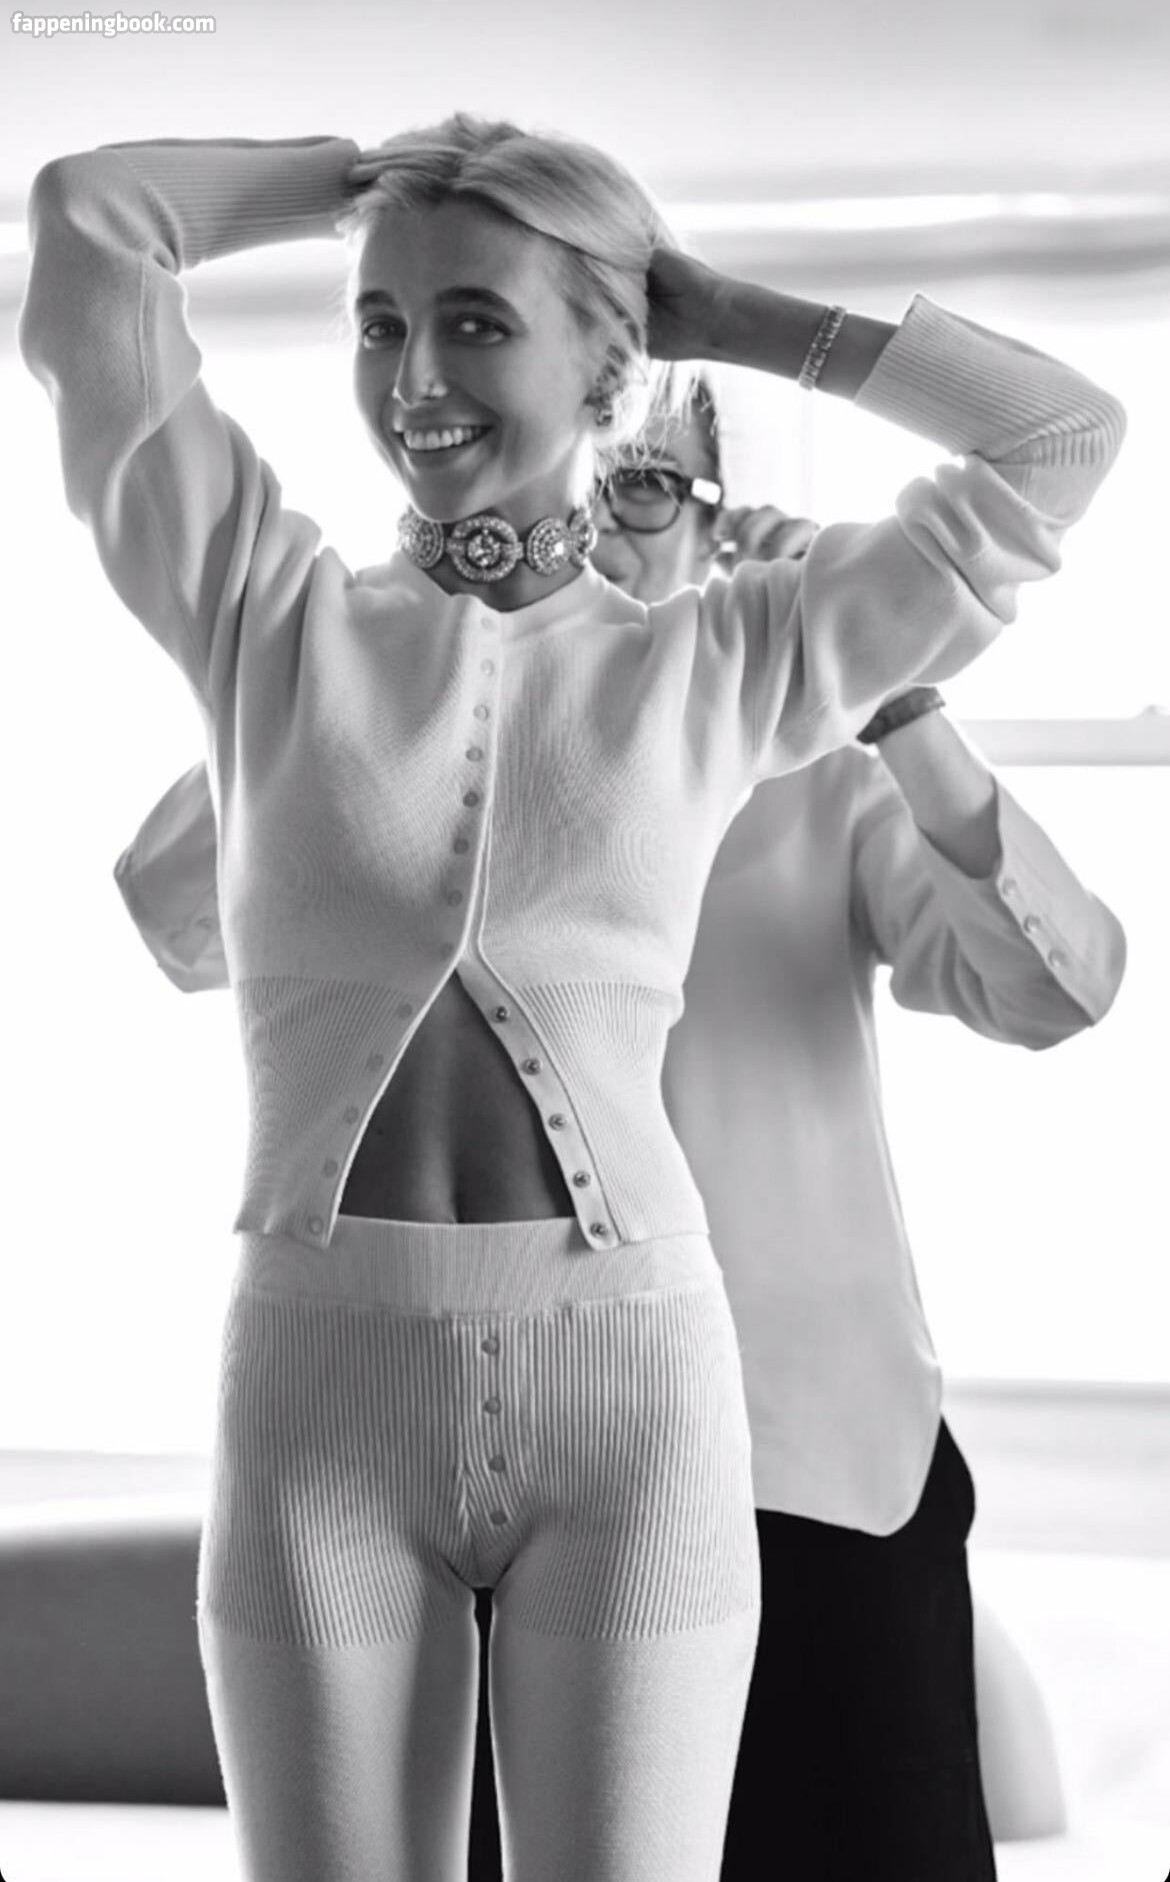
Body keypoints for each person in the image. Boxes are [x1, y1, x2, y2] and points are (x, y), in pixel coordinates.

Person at [19, 110, 1124, 1882]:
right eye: (380, 323)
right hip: (316, 1376)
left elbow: (1057, 437)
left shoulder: (727, 656)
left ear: (610, 368)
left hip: (640, 1383)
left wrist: (731, 316)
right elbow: (92, 217)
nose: (413, 378)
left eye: (477, 322)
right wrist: (369, 180)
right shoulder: (266, 617)